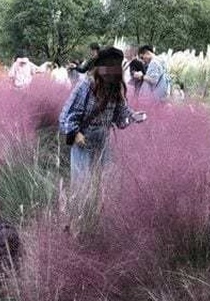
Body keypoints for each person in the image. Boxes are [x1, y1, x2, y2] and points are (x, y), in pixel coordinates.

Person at [59, 47, 146, 202]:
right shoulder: (86, 85)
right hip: (83, 142)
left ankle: (97, 218)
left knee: (103, 184)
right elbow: (67, 115)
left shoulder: (115, 88)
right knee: (82, 186)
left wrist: (133, 116)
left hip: (103, 142)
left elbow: (120, 113)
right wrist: (75, 133)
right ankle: (81, 218)